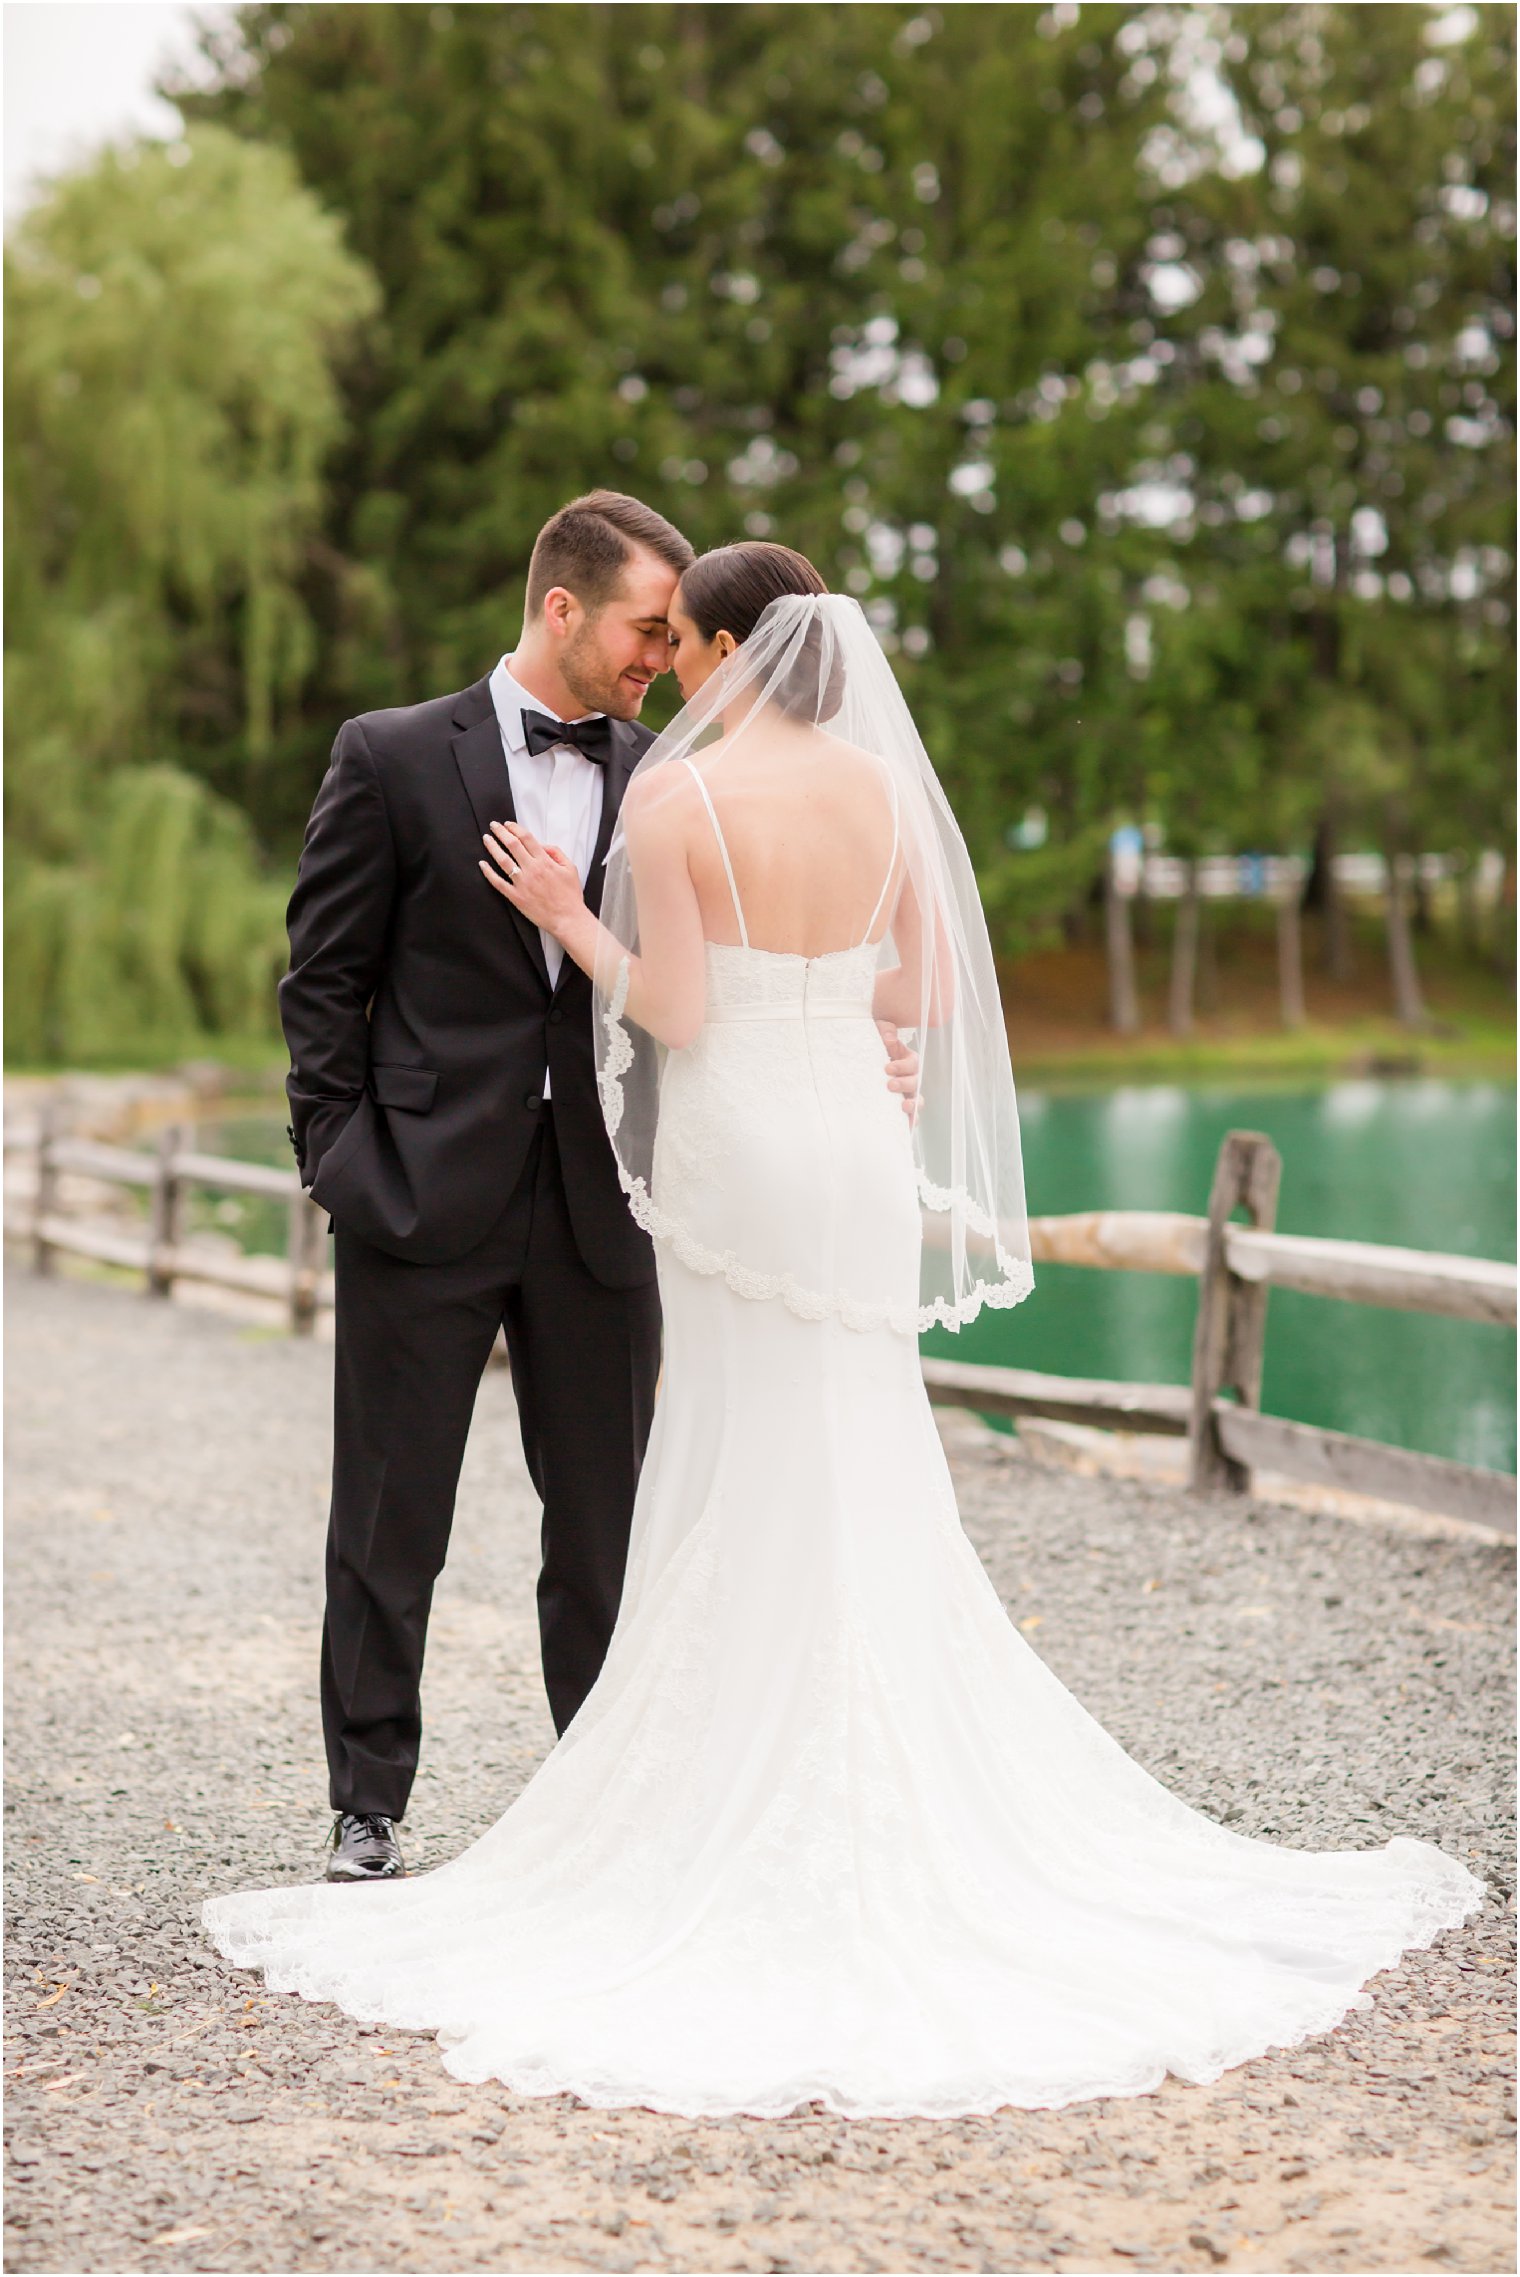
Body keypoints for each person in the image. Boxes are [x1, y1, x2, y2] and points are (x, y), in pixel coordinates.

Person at [207, 546, 1482, 2118]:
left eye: (686, 641)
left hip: (715, 1170)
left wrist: (583, 922)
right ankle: (431, 1804)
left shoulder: (672, 793)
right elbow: (922, 995)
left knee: (684, 1479)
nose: (664, 663)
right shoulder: (874, 794)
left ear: (734, 644)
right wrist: (831, 1034)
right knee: (822, 1462)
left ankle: (677, 1797)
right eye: (643, 631)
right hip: (799, 1170)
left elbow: (670, 1011)